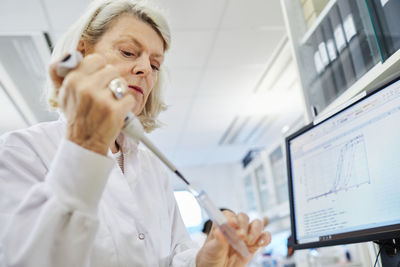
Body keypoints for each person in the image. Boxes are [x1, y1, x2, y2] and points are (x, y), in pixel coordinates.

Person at [0, 0, 271, 266]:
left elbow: (174, 255)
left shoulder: (152, 168)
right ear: (82, 53)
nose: (144, 70)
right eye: (129, 52)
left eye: (155, 65)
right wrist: (87, 144)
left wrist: (204, 264)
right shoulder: (21, 151)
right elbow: (26, 258)